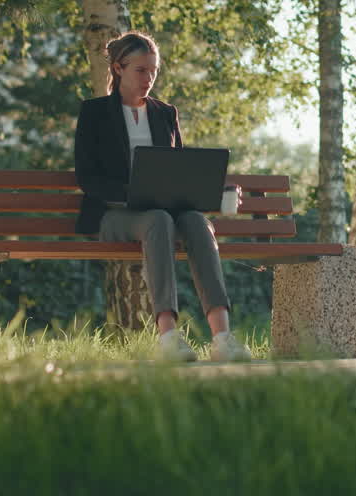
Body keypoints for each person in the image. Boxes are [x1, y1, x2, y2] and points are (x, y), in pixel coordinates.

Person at [74, 31, 251, 363]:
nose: (149, 78)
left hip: (164, 212)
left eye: (153, 70)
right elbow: (87, 179)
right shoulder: (94, 113)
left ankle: (223, 337)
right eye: (141, 70)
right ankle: (168, 337)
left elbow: (179, 169)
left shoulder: (165, 113)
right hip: (114, 216)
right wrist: (133, 193)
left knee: (197, 222)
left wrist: (215, 191)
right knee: (157, 219)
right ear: (118, 68)